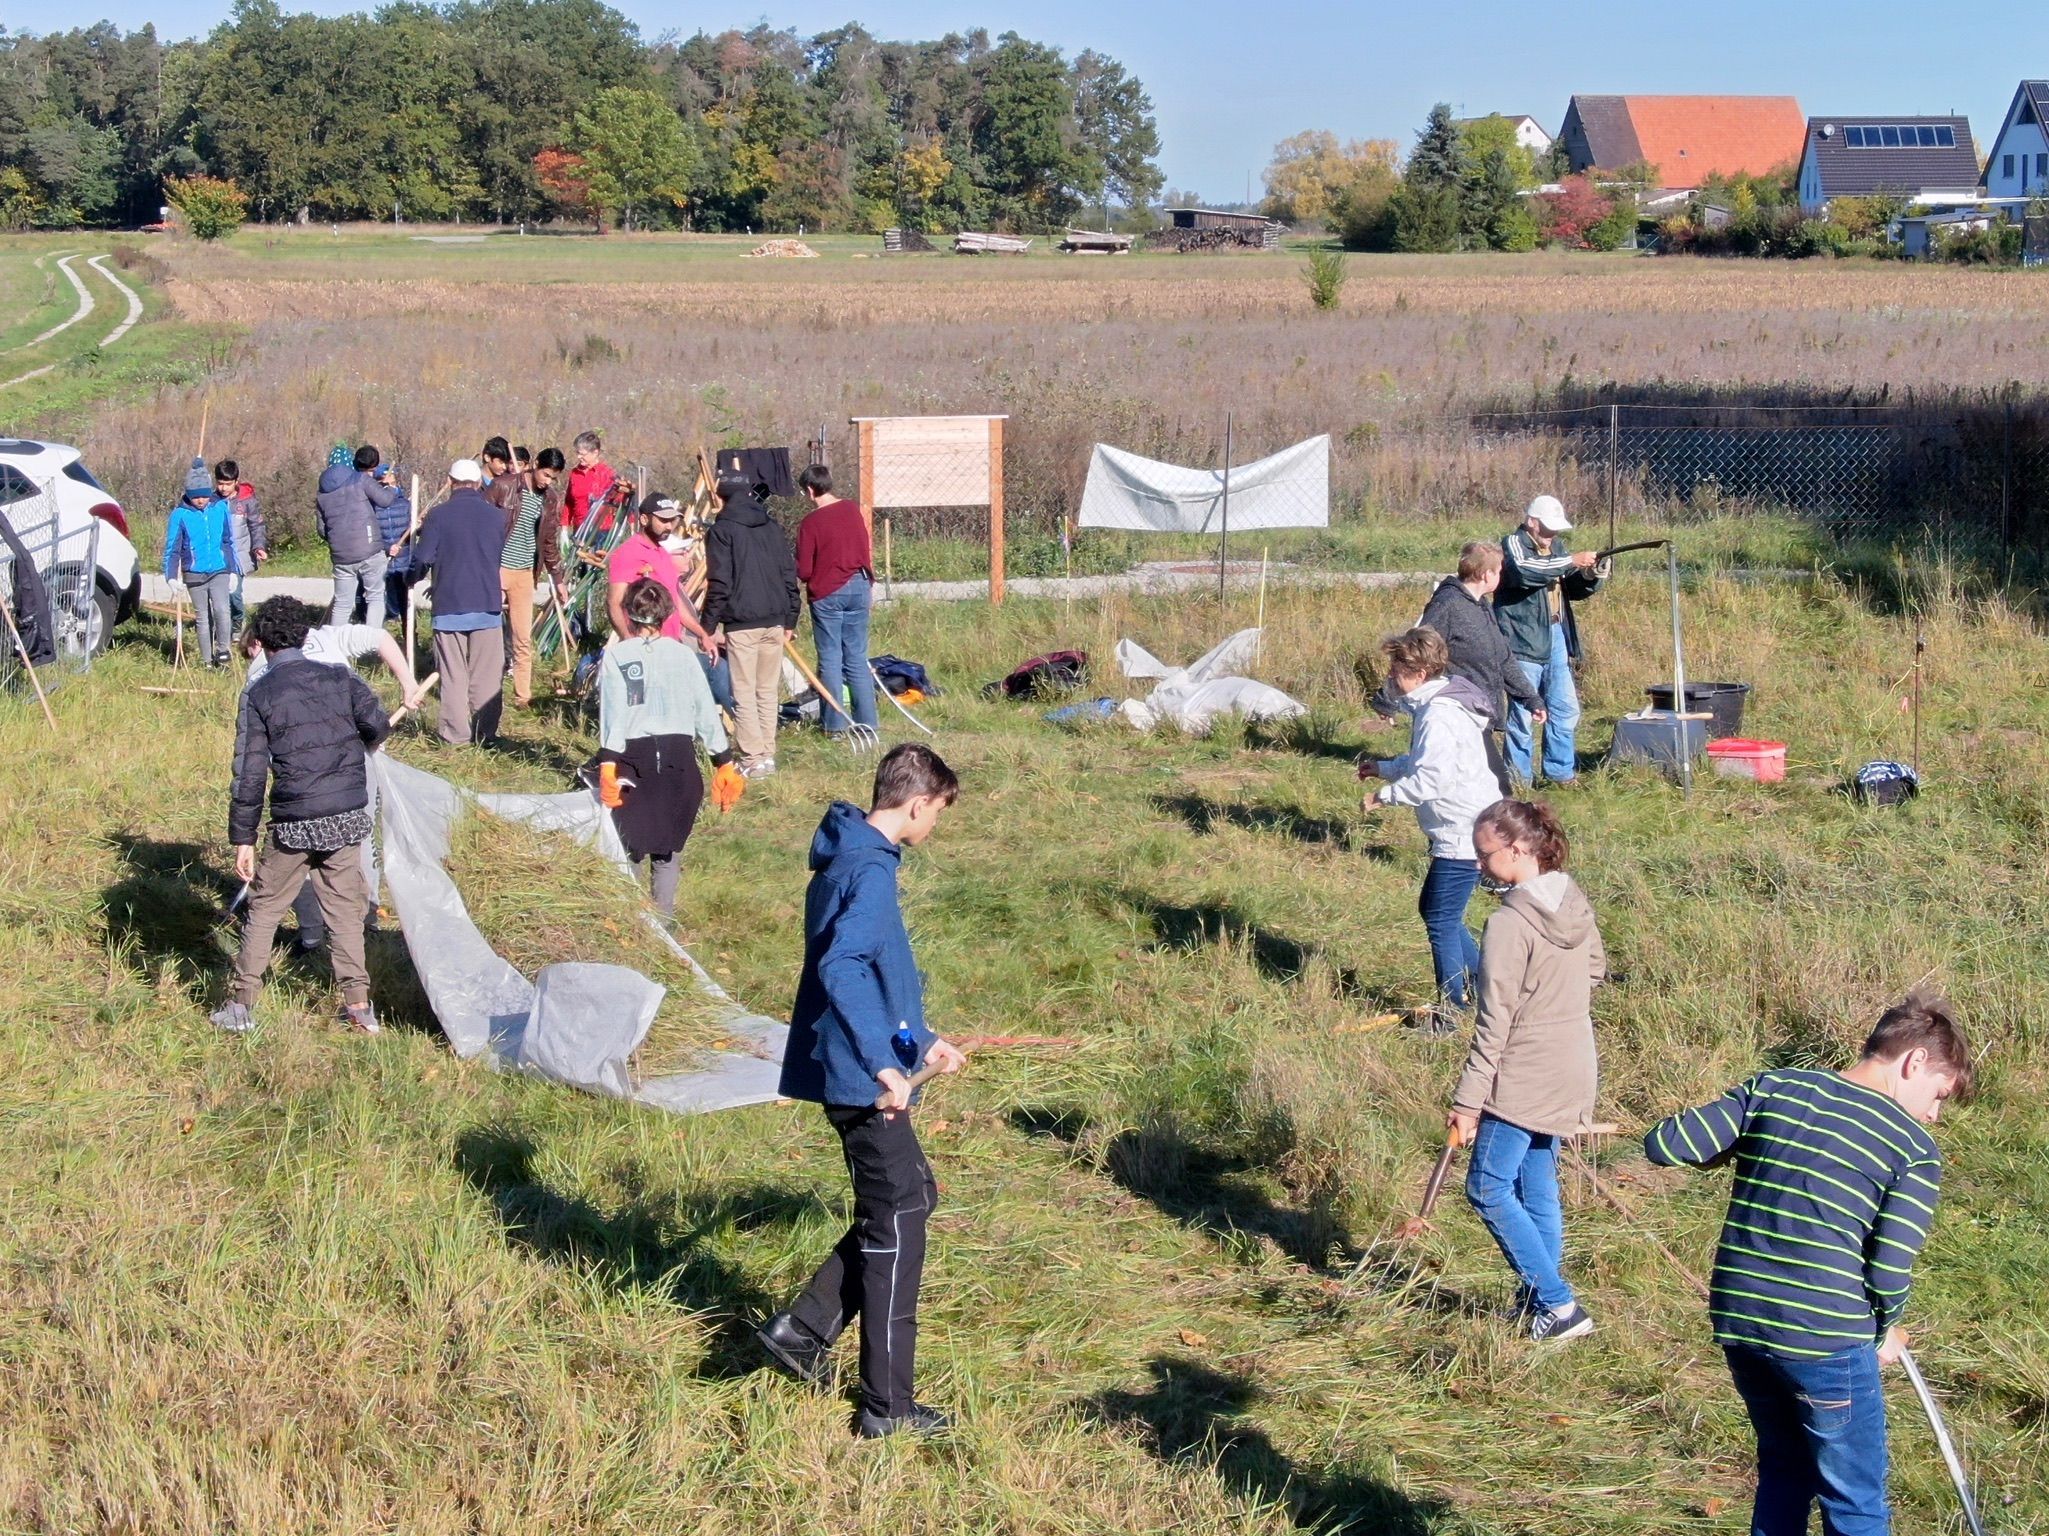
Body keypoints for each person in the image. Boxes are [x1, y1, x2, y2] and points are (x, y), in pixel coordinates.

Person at [1644, 994, 1971, 1536]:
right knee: (1855, 1499)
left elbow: (1666, 1143)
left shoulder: (1775, 1087)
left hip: (1742, 1322)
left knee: (1784, 1468)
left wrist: (1738, 1144)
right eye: (1938, 1095)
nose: (1933, 1115)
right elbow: (1888, 1270)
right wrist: (1885, 1327)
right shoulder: (1913, 1149)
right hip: (1825, 1338)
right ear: (1914, 1061)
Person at [758, 744, 968, 1439]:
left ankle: (802, 1330)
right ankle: (887, 1407)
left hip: (858, 1063)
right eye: (938, 812)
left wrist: (920, 1041)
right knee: (898, 1220)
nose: (935, 824)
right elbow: (843, 967)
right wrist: (883, 1063)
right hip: (860, 1078)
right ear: (917, 803)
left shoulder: (848, 852)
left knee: (911, 1198)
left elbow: (880, 970)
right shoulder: (871, 871)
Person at [1449, 798, 1607, 1344]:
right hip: (1575, 1061)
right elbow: (1595, 969)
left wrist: (1467, 1102)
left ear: (1517, 849)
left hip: (1523, 1073)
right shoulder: (1572, 898)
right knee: (1536, 1180)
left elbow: (1493, 1023)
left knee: (1487, 1186)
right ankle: (1539, 1303)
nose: (1479, 865)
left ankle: (1559, 1306)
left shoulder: (1508, 923)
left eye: (1484, 854)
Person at [211, 596, 391, 1037]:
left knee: (264, 908)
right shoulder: (341, 677)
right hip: (346, 815)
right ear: (305, 635)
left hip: (294, 821)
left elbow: (249, 773)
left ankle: (241, 1006)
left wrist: (243, 838)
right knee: (344, 912)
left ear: (262, 642)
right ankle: (359, 1007)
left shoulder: (259, 693)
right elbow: (378, 725)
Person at [237, 606, 424, 954]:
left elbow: (256, 756)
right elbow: (380, 638)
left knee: (298, 856)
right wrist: (408, 684)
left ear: (258, 642)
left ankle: (312, 936)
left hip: (299, 779)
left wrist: (244, 834)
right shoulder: (329, 638)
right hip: (353, 761)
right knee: (356, 843)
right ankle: (363, 923)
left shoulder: (260, 674)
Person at [1359, 627, 1501, 1028]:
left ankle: (1452, 1012)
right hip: (1468, 824)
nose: (1390, 676)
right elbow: (1429, 761)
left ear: (1419, 673)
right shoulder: (1438, 704)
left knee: (1440, 919)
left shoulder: (1438, 715)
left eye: (1396, 669)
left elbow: (1431, 780)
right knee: (1439, 913)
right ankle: (1485, 987)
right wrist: (1385, 767)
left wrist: (1383, 796)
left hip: (1464, 831)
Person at [597, 579, 734, 917]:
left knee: (629, 847)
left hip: (633, 761)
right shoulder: (684, 656)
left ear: (627, 613)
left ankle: (633, 922)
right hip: (680, 761)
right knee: (668, 850)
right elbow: (705, 711)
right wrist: (723, 761)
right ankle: (663, 921)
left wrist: (607, 763)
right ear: (668, 614)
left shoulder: (617, 656)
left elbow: (614, 714)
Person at [1376, 541, 1542, 792]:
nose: (1501, 576)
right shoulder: (1448, 605)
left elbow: (1503, 658)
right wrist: (1388, 700)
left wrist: (1530, 698)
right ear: (1486, 574)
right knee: (1498, 790)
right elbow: (1414, 651)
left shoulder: (1481, 606)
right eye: (1499, 570)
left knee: (1479, 790)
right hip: (1457, 712)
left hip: (1478, 712)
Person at [1495, 495, 1606, 788]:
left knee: (1564, 707)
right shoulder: (1513, 544)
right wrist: (1571, 561)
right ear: (1532, 522)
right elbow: (1525, 571)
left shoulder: (1556, 548)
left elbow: (1571, 586)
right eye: (1547, 527)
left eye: (1556, 528)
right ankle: (1518, 780)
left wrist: (1590, 575)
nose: (1552, 534)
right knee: (1522, 714)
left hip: (1556, 634)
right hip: (1522, 638)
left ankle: (1560, 772)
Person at [703, 473, 800, 776]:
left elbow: (720, 582)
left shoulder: (721, 531)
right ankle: (767, 753)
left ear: (720, 497)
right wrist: (791, 616)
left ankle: (753, 758)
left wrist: (707, 626)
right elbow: (788, 573)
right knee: (767, 690)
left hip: (742, 622)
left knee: (744, 692)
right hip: (774, 619)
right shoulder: (771, 526)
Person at [606, 491, 736, 711]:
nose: (669, 526)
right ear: (644, 519)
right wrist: (630, 641)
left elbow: (675, 603)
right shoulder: (628, 553)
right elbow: (614, 603)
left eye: (672, 521)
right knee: (651, 706)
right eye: (663, 520)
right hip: (647, 645)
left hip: (671, 645)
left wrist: (702, 634)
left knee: (707, 676)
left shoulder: (662, 554)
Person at [412, 458, 508, 746]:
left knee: (453, 675)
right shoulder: (497, 517)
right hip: (486, 601)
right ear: (478, 483)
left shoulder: (438, 516)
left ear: (450, 482)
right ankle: (485, 734)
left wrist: (410, 578)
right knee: (487, 675)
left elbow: (422, 558)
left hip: (449, 603)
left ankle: (455, 735)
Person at [796, 464, 880, 737]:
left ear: (810, 490)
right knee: (856, 657)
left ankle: (835, 725)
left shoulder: (811, 523)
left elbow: (804, 570)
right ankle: (868, 725)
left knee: (831, 659)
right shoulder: (852, 509)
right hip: (859, 585)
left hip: (828, 593)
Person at [500, 446, 567, 709]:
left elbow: (549, 542)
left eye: (553, 478)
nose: (547, 481)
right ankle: (484, 690)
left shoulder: (550, 499)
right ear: (536, 464)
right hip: (497, 568)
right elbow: (483, 524)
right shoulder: (505, 486)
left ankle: (523, 697)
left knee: (522, 637)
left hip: (525, 572)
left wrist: (558, 578)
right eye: (546, 474)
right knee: (488, 632)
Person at [161, 456, 242, 668]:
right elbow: (172, 549)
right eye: (196, 496)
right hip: (194, 574)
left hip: (219, 570)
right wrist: (171, 577)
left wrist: (233, 570)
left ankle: (223, 651)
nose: (201, 500)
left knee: (222, 610)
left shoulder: (220, 507)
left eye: (204, 496)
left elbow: (228, 541)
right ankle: (207, 661)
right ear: (188, 494)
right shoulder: (179, 515)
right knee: (202, 617)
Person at [317, 443, 401, 628]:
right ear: (351, 462)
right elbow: (385, 501)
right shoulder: (360, 479)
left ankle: (336, 642)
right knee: (375, 597)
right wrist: (391, 487)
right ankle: (371, 641)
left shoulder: (322, 493)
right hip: (369, 551)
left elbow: (322, 530)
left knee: (342, 604)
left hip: (341, 557)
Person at [215, 458, 266, 632]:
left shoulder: (247, 501)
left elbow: (256, 526)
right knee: (218, 594)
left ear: (236, 481)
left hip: (239, 556)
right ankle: (222, 627)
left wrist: (258, 547)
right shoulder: (212, 501)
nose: (223, 488)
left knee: (233, 593)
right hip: (218, 556)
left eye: (228, 484)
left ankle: (237, 621)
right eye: (220, 483)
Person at [565, 430, 616, 531]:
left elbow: (618, 502)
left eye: (582, 454)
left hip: (600, 531)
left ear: (595, 453)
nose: (579, 457)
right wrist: (564, 528)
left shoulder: (607, 474)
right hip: (579, 529)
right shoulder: (575, 473)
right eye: (577, 453)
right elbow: (569, 502)